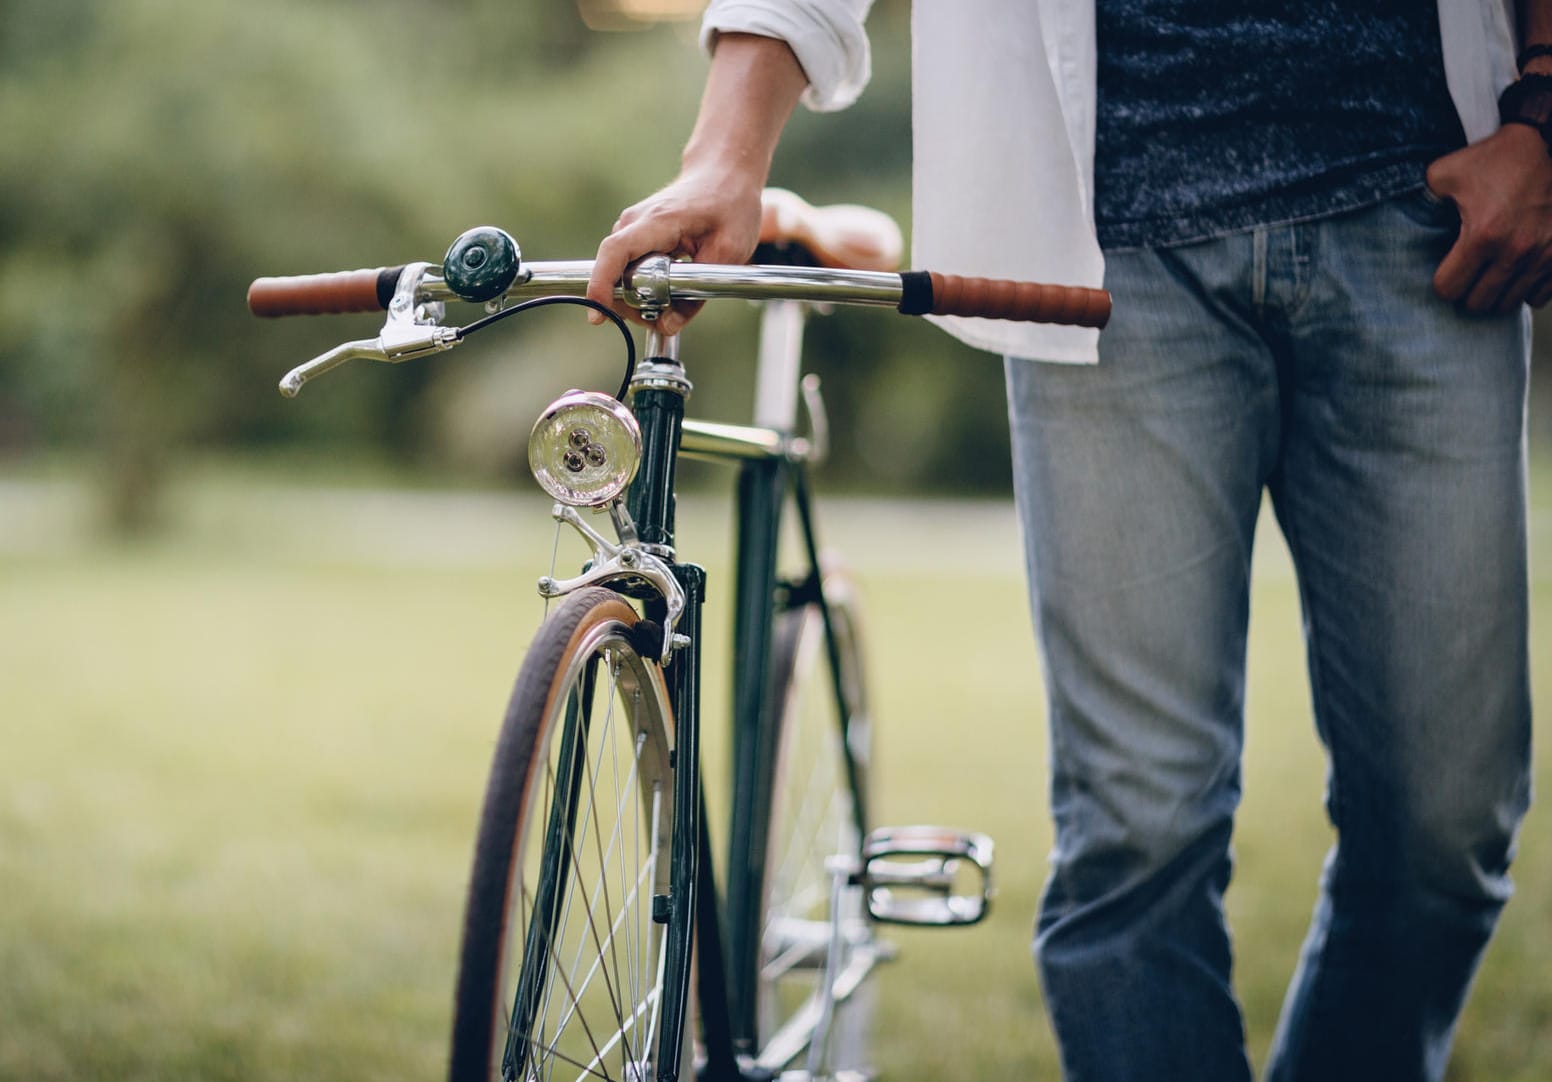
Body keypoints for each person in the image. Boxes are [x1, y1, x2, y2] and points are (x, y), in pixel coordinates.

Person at [588, 2, 1540, 1079]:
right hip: (1105, 248)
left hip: (1426, 211)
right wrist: (724, 152)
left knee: (1446, 824)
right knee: (1138, 828)